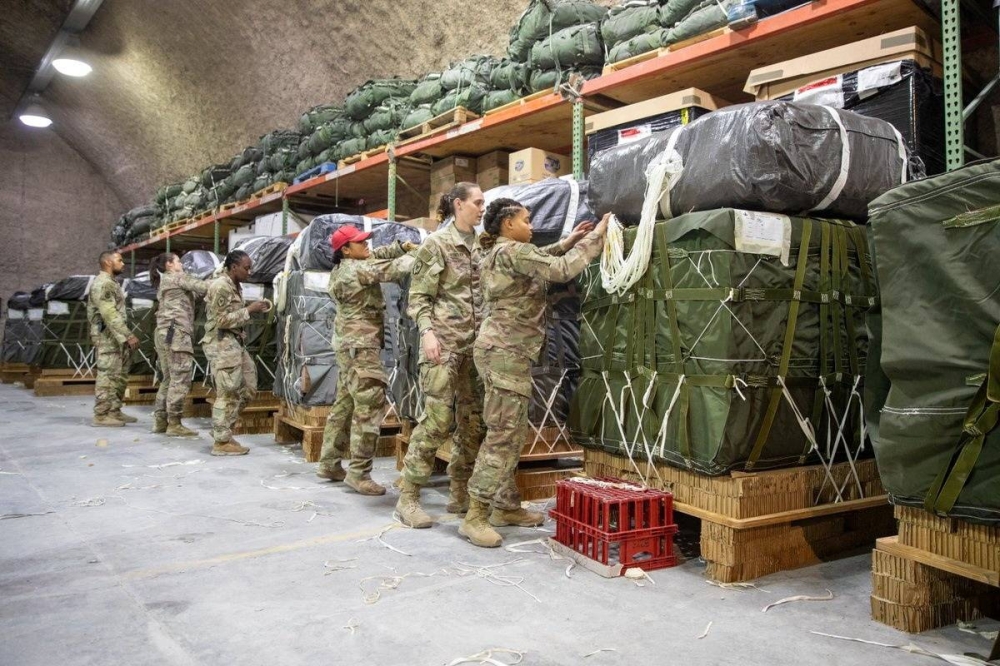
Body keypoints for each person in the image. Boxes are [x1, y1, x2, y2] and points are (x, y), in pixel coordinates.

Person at [460, 200, 609, 548]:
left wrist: (568, 240)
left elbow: (541, 260)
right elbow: (560, 270)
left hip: (503, 352)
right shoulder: (513, 250)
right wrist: (597, 238)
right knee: (503, 436)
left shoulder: (501, 251)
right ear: (509, 224)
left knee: (510, 432)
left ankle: (506, 507)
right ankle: (476, 515)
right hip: (505, 354)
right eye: (527, 221)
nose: (531, 227)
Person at [395, 182, 488, 527]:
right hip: (442, 346)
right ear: (459, 204)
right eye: (478, 202)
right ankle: (409, 497)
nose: (482, 208)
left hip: (473, 348)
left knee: (471, 423)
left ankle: (460, 493)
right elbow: (417, 299)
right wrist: (428, 333)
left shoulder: (481, 245)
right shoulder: (436, 245)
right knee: (435, 422)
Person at [316, 227, 416, 495]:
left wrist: (399, 247)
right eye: (360, 243)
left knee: (345, 404)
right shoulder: (356, 270)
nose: (367, 245)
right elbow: (392, 270)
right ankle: (359, 473)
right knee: (370, 406)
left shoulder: (346, 267)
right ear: (346, 250)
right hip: (361, 347)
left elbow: (379, 256)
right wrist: (427, 254)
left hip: (348, 346)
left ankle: (329, 462)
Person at [202, 250, 269, 456]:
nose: (250, 272)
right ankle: (221, 442)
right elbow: (221, 320)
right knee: (228, 391)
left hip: (234, 343)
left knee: (248, 387)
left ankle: (222, 429)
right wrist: (250, 310)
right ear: (234, 267)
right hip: (221, 344)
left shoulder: (234, 285)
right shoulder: (221, 286)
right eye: (246, 268)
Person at [149, 252, 209, 437]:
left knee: (168, 379)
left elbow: (196, 293)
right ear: (169, 264)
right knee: (180, 378)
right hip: (176, 333)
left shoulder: (166, 281)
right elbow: (204, 287)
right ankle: (174, 423)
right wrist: (221, 278)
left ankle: (160, 421)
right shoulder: (176, 277)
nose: (181, 265)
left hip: (165, 332)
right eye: (178, 261)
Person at [88, 251, 140, 427]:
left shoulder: (111, 283)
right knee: (107, 375)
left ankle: (114, 411)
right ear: (108, 262)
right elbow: (109, 313)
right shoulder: (102, 284)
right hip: (107, 337)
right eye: (119, 260)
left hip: (116, 337)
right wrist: (128, 334)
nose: (123, 263)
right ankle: (101, 415)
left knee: (118, 375)